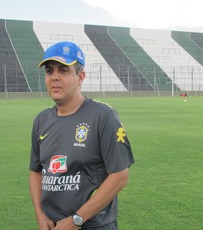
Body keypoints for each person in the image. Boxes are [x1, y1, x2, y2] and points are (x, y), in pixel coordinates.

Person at [29, 41, 134, 230]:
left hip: (93, 225)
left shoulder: (103, 116)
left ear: (80, 77)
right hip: (52, 225)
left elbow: (120, 175)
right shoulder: (41, 120)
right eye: (49, 71)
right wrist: (40, 215)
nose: (54, 77)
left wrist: (76, 220)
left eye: (63, 70)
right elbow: (36, 170)